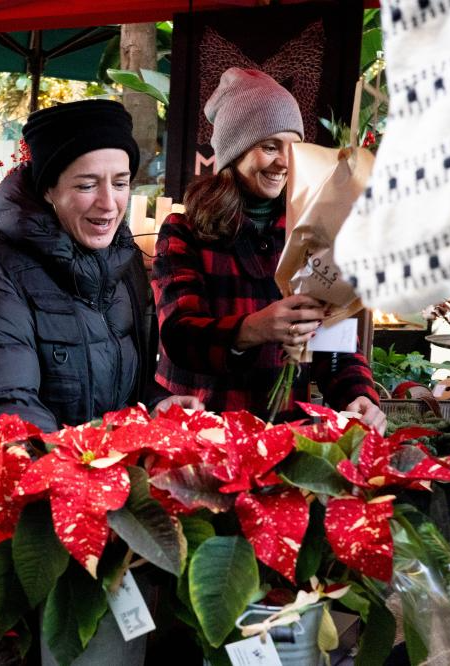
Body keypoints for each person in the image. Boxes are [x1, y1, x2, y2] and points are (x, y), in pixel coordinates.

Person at [0, 99, 202, 465]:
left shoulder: (123, 263)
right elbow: (7, 416)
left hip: (99, 485)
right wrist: (88, 465)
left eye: (121, 183)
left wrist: (157, 406)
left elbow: (127, 389)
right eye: (87, 185)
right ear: (49, 190)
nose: (109, 203)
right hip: (20, 495)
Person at [152, 68, 385, 432]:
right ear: (234, 151)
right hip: (206, 430)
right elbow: (180, 337)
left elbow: (333, 338)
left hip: (286, 431)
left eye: (294, 148)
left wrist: (358, 395)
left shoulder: (312, 230)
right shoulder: (185, 231)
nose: (284, 162)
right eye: (270, 146)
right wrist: (253, 329)